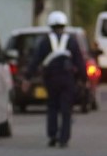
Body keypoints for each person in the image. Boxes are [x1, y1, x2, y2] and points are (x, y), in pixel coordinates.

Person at [26, 10, 86, 148]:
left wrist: (28, 77)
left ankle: (52, 135)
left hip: (51, 78)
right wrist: (84, 79)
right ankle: (64, 138)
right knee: (66, 109)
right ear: (64, 25)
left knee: (52, 106)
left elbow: (35, 60)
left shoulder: (44, 41)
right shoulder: (71, 41)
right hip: (67, 78)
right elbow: (79, 61)